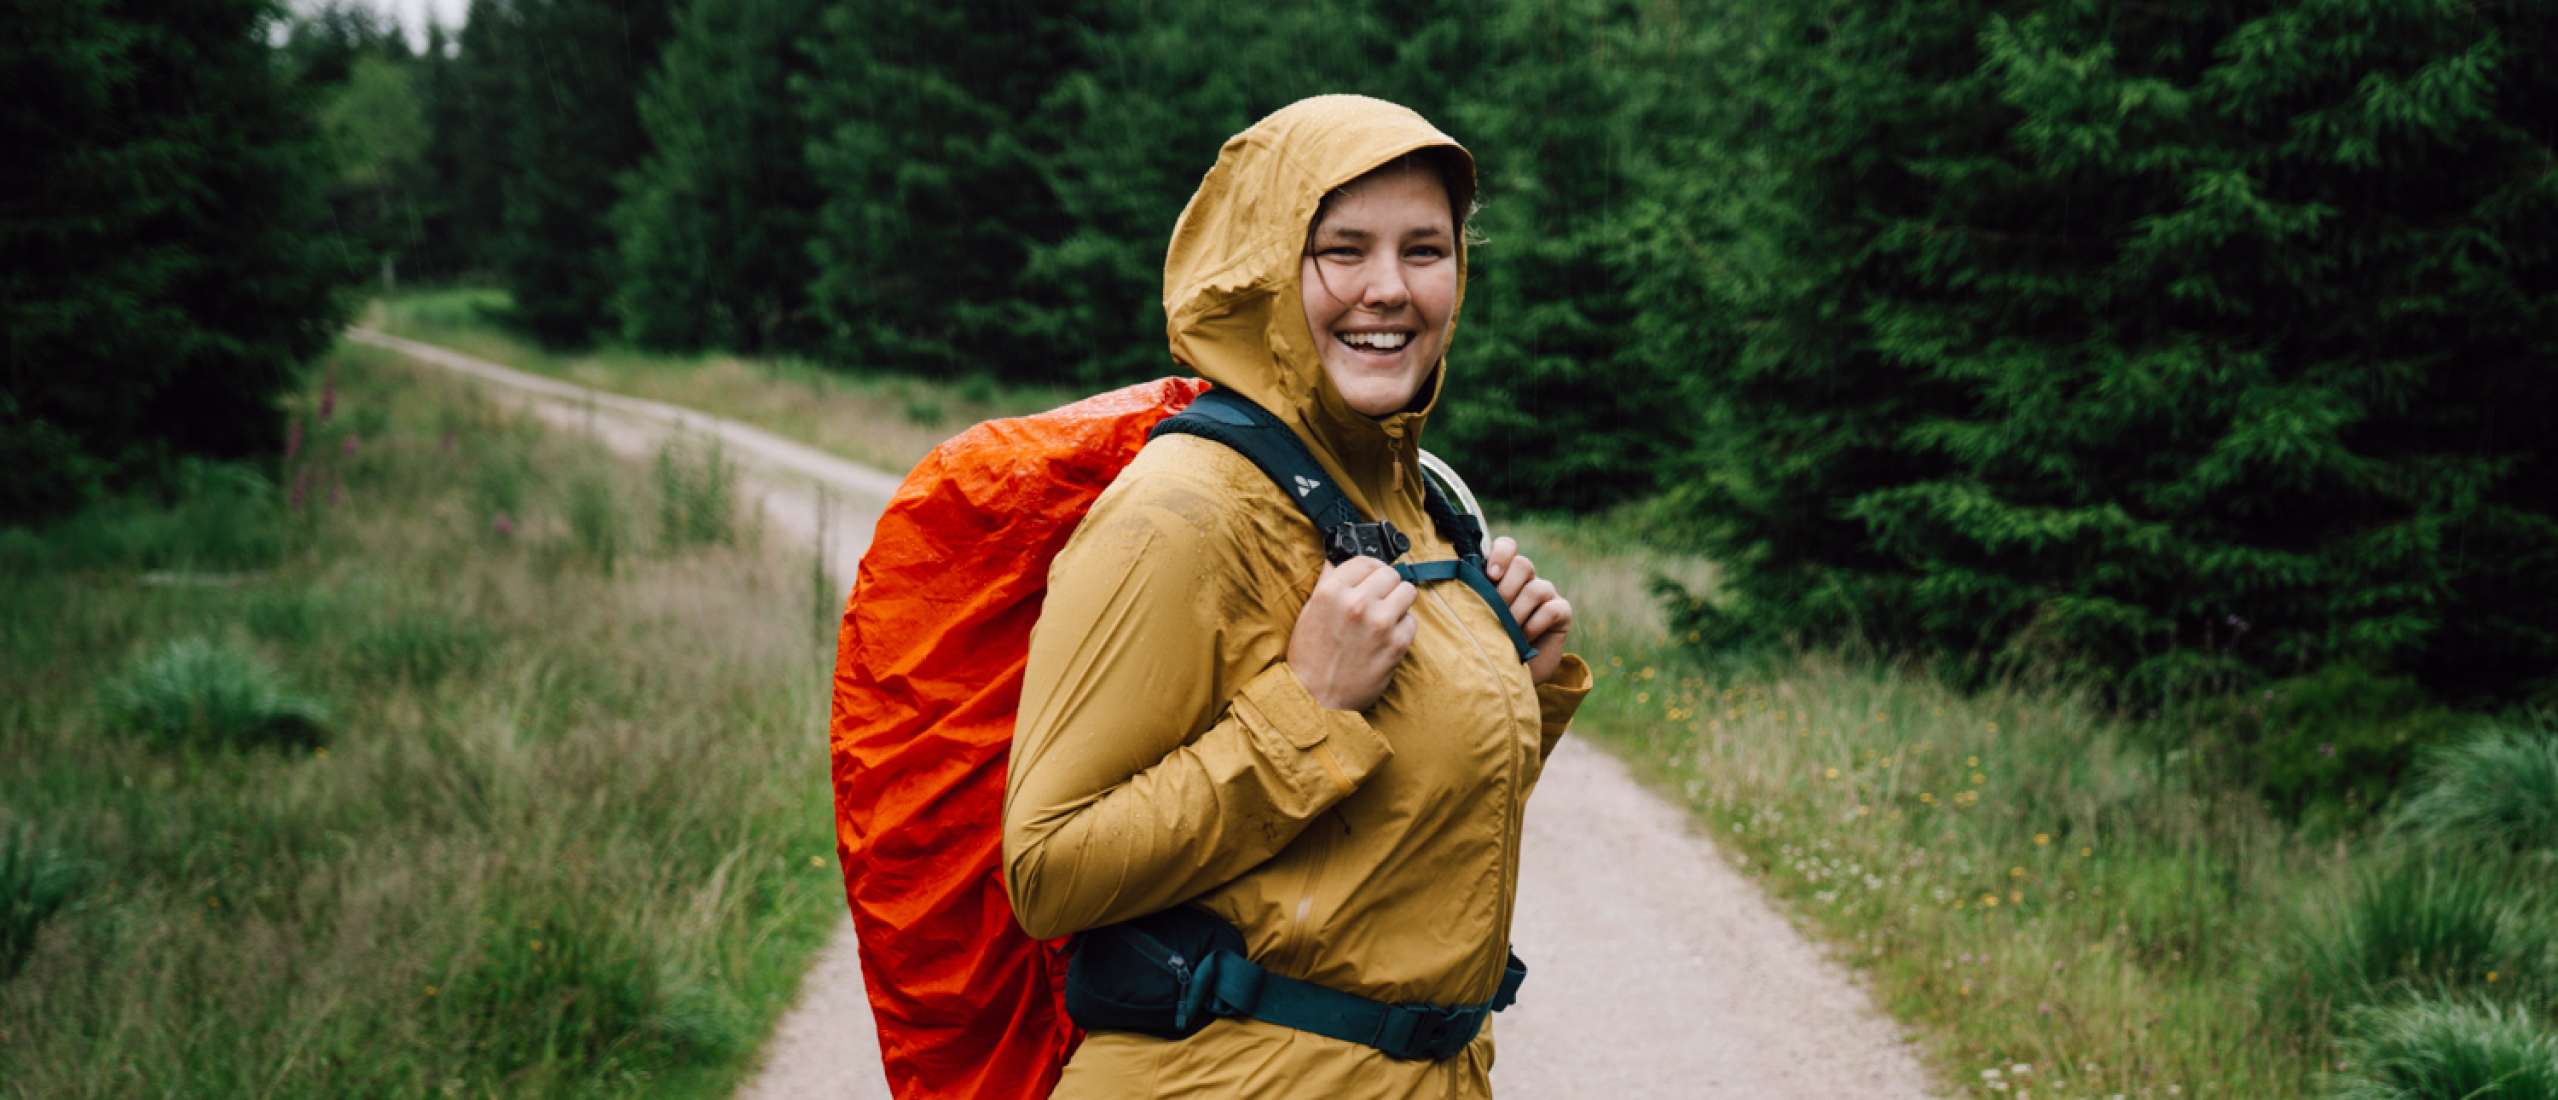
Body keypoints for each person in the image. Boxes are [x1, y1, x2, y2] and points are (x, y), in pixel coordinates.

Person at [1002, 94, 1592, 1099]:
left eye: (1425, 249)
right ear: (1268, 267)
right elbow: (1049, 870)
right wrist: (1305, 711)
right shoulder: (1181, 509)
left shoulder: (1415, 496)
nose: (1388, 290)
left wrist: (1522, 689)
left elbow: (1384, 856)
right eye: (1341, 250)